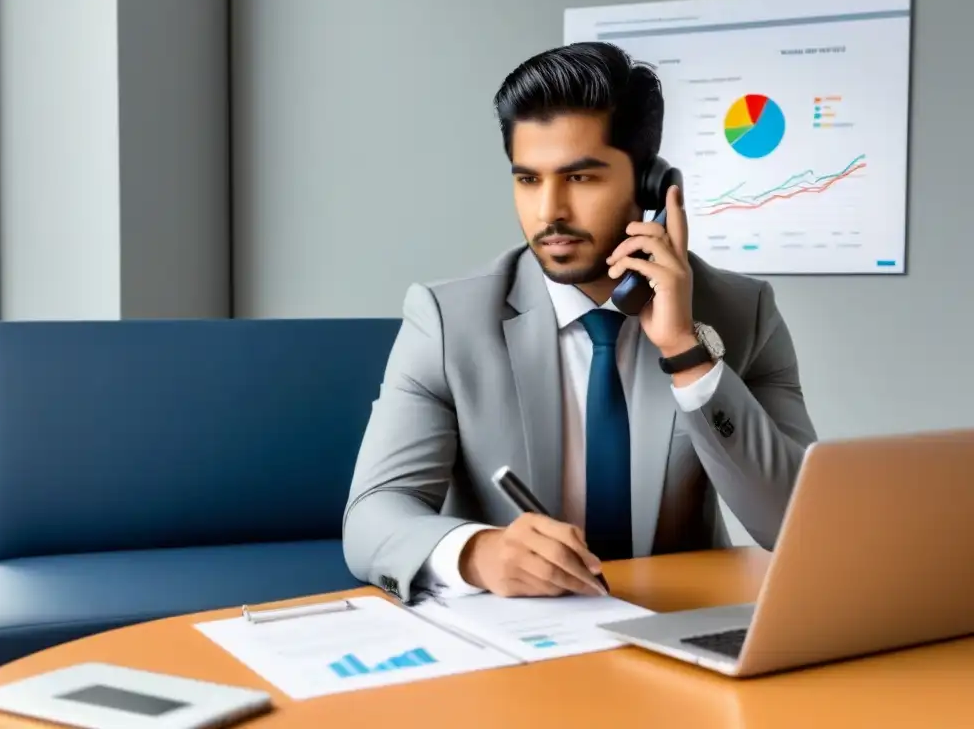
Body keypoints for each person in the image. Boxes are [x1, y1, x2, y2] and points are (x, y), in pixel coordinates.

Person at [342, 41, 817, 604]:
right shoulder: (448, 322)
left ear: (651, 189)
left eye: (581, 179)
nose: (549, 213)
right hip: (517, 640)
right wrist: (478, 552)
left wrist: (687, 353)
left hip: (679, 624)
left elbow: (800, 528)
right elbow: (373, 515)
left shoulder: (741, 312)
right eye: (528, 180)